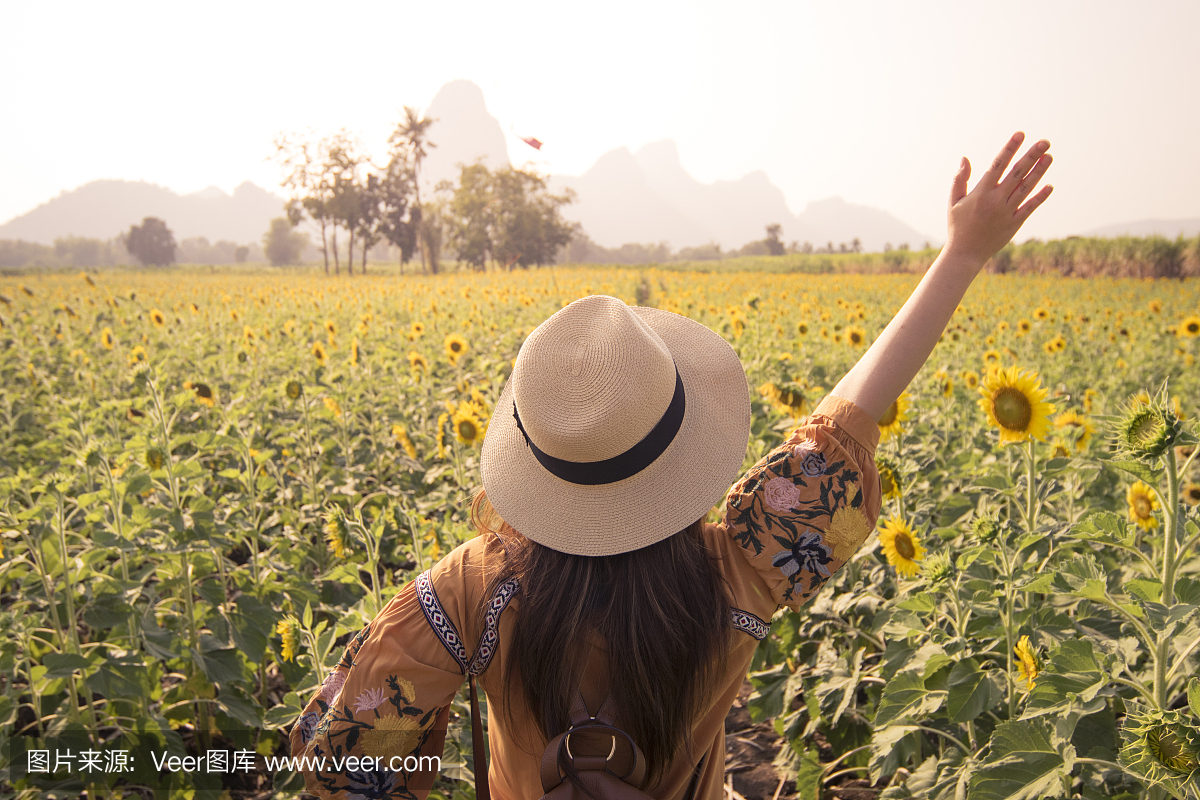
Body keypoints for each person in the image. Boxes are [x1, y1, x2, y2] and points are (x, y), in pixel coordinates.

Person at [289, 132, 1054, 800]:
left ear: (536, 458)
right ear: (680, 449)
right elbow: (848, 420)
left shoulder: (470, 592)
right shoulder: (744, 571)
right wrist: (962, 254)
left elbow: (339, 764)